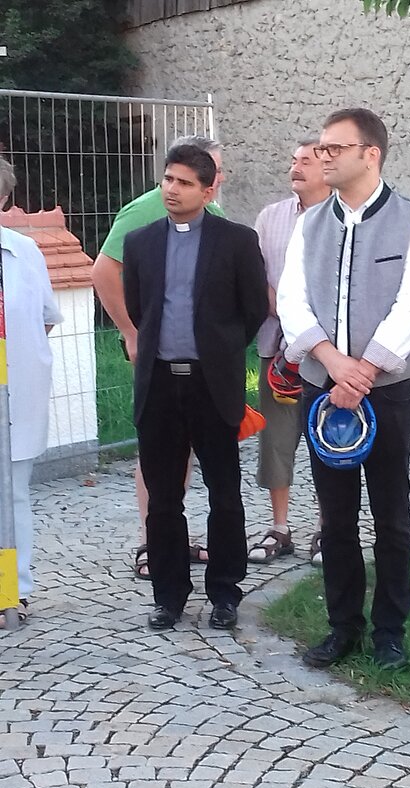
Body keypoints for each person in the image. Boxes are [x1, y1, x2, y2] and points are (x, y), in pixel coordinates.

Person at [278, 108, 410, 670]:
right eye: (320, 148)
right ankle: (342, 626)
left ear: (370, 154)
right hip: (323, 385)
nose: (323, 157)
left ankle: (390, 632)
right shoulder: (310, 224)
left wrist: (364, 370)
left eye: (334, 148)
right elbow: (292, 300)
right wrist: (332, 362)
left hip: (386, 388)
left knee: (391, 514)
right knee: (335, 515)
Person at [123, 143, 268, 630]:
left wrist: (220, 350)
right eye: (168, 179)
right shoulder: (141, 243)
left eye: (184, 183)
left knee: (224, 493)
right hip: (159, 385)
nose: (172, 189)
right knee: (163, 497)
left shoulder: (236, 241)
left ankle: (225, 592)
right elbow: (139, 307)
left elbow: (253, 309)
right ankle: (168, 595)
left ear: (208, 191)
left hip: (213, 384)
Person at [92, 135, 225, 580]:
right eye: (210, 167)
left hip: (204, 364)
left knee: (188, 452)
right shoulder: (146, 210)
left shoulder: (214, 215)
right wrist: (132, 333)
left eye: (215, 172)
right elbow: (103, 270)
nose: (218, 177)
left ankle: (174, 538)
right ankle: (151, 541)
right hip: (159, 358)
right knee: (158, 450)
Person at [249, 138, 330, 567]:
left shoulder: (338, 217)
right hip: (276, 349)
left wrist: (310, 331)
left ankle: (327, 528)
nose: (296, 168)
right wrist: (285, 312)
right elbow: (257, 274)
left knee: (325, 438)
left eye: (306, 161)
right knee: (277, 440)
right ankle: (279, 528)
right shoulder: (270, 217)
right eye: (293, 160)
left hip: (326, 353)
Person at [0, 156, 63, 629]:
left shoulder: (24, 252)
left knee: (12, 494)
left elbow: (45, 317)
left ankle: (11, 590)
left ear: (4, 199)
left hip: (14, 390)